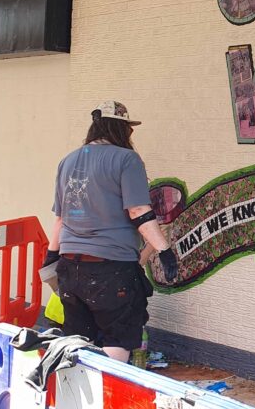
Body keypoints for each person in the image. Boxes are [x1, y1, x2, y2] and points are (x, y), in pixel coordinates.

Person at [42, 101, 177, 363]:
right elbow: (138, 210)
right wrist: (164, 250)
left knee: (77, 341)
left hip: (70, 268)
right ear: (119, 128)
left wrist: (51, 257)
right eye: (128, 129)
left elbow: (60, 218)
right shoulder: (127, 159)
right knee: (117, 338)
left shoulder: (67, 160)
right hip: (111, 269)